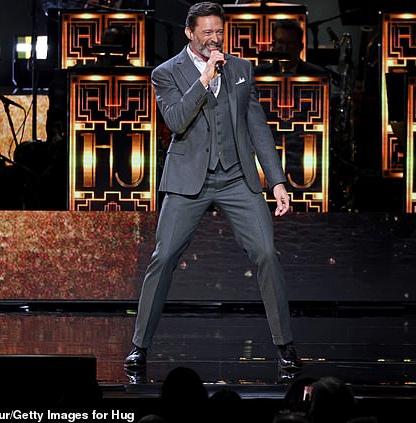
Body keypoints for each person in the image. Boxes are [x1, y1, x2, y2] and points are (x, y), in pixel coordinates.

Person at [124, 1, 301, 380]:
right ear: (190, 34)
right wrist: (203, 78)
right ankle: (139, 347)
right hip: (189, 180)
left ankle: (286, 347)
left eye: (218, 32)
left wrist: (277, 181)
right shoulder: (166, 73)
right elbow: (176, 119)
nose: (214, 39)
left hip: (237, 177)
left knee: (267, 254)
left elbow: (258, 127)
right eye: (206, 32)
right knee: (165, 256)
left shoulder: (240, 69)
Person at [255, 19, 328, 75]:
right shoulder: (258, 73)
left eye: (291, 43)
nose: (285, 48)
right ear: (273, 45)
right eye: (281, 42)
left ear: (301, 47)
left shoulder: (318, 74)